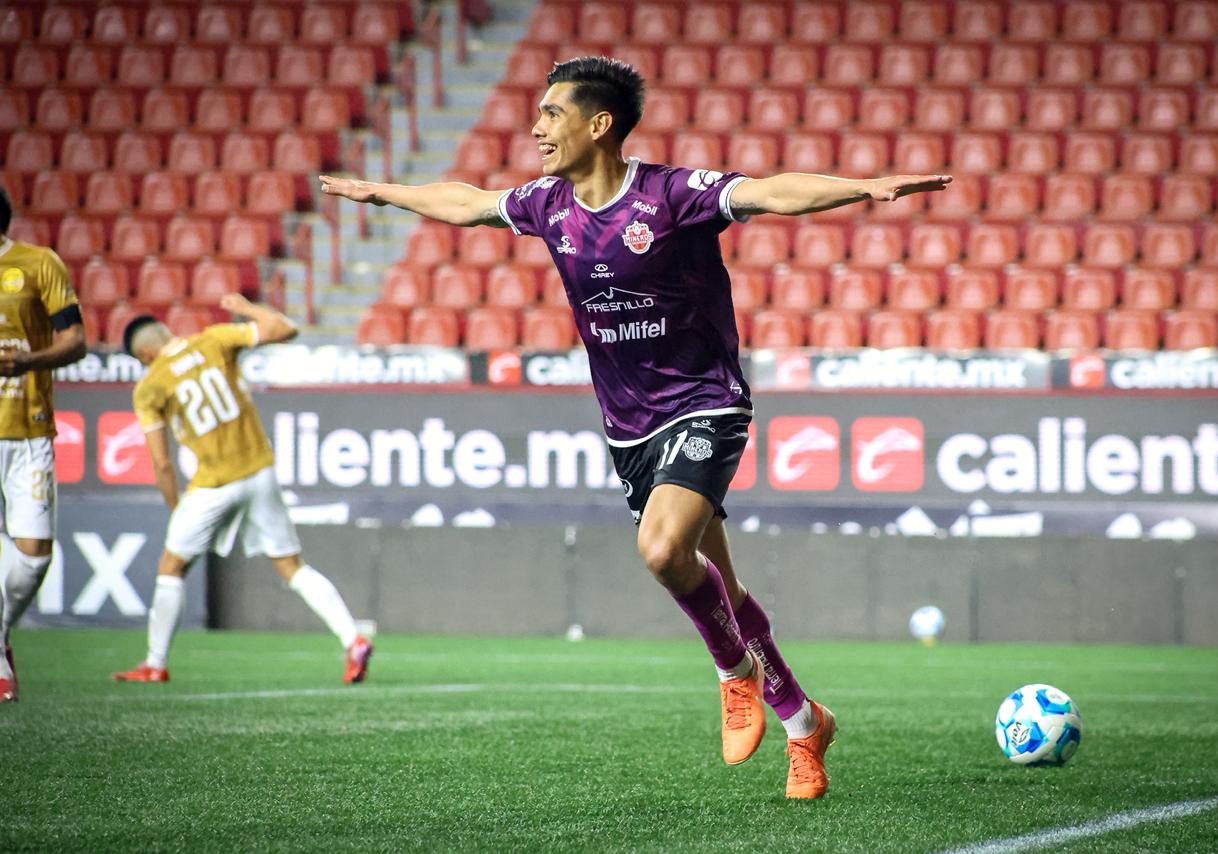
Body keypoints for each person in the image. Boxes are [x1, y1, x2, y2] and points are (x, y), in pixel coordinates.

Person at [320, 55, 950, 799]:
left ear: (599, 123)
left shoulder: (670, 194)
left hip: (705, 401)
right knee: (727, 588)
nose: (535, 127)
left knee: (660, 550)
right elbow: (467, 203)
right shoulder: (545, 204)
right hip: (629, 429)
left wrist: (861, 190)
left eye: (551, 114)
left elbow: (773, 191)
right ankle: (806, 725)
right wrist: (381, 195)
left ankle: (734, 672)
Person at [110, 295, 373, 684]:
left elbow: (162, 462)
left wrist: (175, 506)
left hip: (214, 483)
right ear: (167, 332)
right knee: (291, 566)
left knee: (172, 565)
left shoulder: (150, 386)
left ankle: (155, 662)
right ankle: (353, 640)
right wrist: (246, 307)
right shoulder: (214, 340)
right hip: (259, 470)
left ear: (146, 354)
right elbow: (286, 329)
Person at [0, 187, 88, 703]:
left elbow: (74, 341)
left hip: (28, 426)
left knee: (34, 556)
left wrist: (27, 362)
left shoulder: (38, 264)